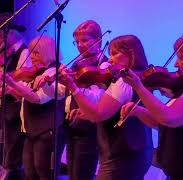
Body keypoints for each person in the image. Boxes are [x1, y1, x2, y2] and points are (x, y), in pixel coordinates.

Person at [120, 28, 183, 180]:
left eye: (181, 58)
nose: (175, 64)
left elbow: (170, 118)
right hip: (179, 170)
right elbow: (161, 122)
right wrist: (138, 111)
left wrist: (139, 87)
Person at [59, 34, 153, 180]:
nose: (110, 59)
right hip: (138, 152)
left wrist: (73, 87)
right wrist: (85, 113)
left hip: (122, 156)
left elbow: (98, 114)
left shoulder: (124, 81)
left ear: (131, 54)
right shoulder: (140, 78)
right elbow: (109, 112)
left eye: (115, 54)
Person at [2, 35, 65, 180]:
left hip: (46, 130)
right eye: (31, 52)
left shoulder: (54, 72)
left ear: (47, 52)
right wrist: (12, 89)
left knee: (43, 173)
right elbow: (23, 95)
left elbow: (38, 98)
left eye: (36, 52)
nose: (32, 56)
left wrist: (11, 83)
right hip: (31, 130)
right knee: (30, 173)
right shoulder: (37, 72)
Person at [63, 20, 108, 180]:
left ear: (98, 40)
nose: (80, 45)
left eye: (85, 40)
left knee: (82, 175)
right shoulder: (78, 64)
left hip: (89, 129)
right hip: (72, 126)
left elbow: (97, 98)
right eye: (77, 42)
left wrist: (73, 84)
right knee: (72, 174)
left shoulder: (104, 66)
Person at [0, 12, 31, 180]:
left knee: (13, 146)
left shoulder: (23, 52)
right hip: (5, 105)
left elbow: (22, 79)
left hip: (15, 105)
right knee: (4, 145)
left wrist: (6, 85)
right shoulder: (6, 51)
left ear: (10, 33)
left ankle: (12, 174)